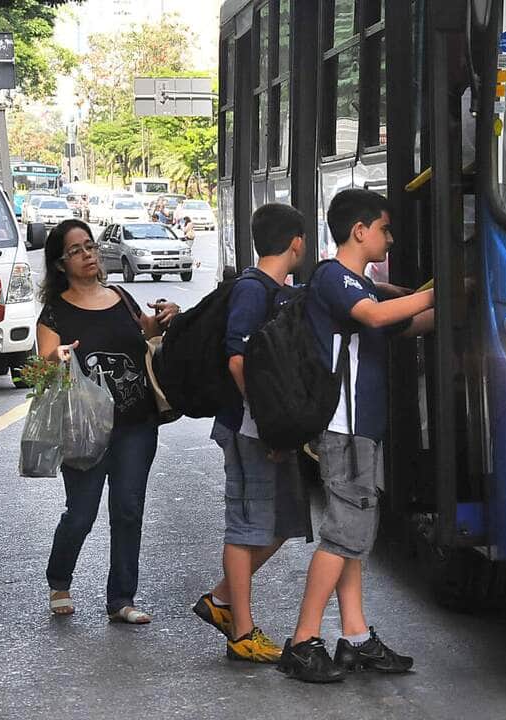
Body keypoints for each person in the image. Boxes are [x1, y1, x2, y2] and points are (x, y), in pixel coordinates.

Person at [278, 189, 434, 683]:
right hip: (343, 428)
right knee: (343, 535)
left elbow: (404, 324)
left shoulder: (361, 287)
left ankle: (356, 636)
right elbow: (377, 316)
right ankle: (303, 641)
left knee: (353, 536)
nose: (390, 239)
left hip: (358, 428)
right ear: (359, 231)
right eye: (385, 229)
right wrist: (442, 289)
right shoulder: (335, 278)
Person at [36, 219, 180, 623]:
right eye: (76, 250)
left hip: (136, 423)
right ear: (61, 264)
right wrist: (58, 357)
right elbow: (44, 360)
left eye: (90, 246)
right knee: (81, 512)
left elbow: (148, 332)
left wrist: (169, 316)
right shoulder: (55, 312)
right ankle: (59, 580)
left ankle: (121, 599)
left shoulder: (120, 296)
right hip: (84, 429)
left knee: (128, 509)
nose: (88, 255)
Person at [192, 203, 311, 663]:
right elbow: (237, 360)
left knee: (286, 521)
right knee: (245, 527)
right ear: (297, 243)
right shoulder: (251, 289)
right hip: (248, 428)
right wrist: (267, 425)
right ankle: (241, 632)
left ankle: (221, 600)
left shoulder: (278, 289)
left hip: (263, 427)